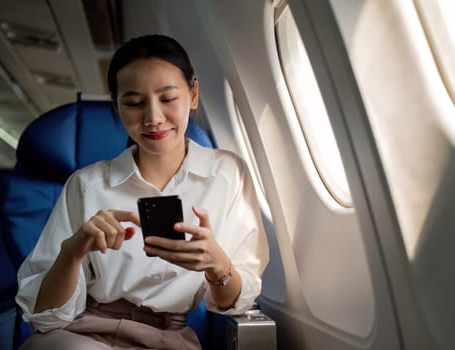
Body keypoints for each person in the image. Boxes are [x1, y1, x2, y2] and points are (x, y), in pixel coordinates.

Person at [16, 34, 269, 349]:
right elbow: (44, 318)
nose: (153, 118)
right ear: (118, 107)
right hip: (81, 335)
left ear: (193, 95)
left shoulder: (228, 175)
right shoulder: (86, 184)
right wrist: (73, 251)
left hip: (169, 339)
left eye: (167, 98)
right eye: (134, 103)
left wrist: (219, 267)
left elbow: (235, 304)